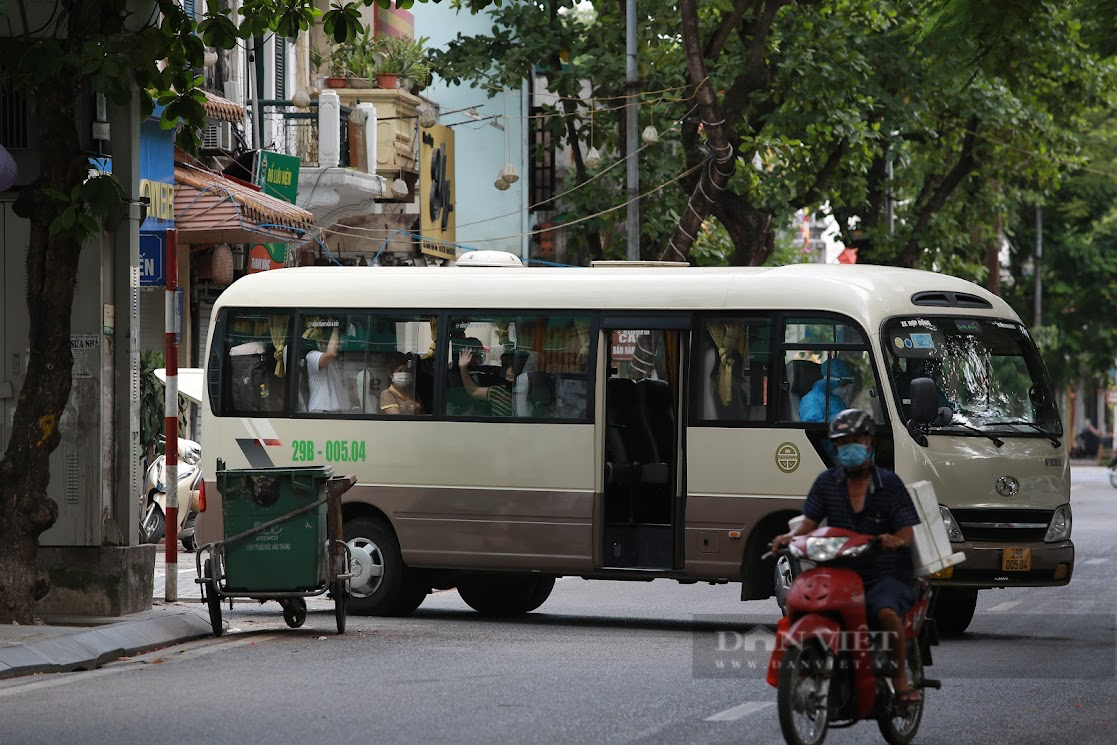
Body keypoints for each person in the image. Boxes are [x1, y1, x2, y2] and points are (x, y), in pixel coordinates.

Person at [771, 408, 923, 703]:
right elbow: (809, 523)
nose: (849, 447)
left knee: (886, 613)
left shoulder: (890, 485)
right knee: (806, 605)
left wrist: (894, 540)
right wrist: (791, 537)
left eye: (856, 439)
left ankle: (900, 679)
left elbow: (908, 530)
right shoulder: (827, 482)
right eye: (843, 442)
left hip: (885, 572)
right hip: (839, 571)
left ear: (870, 443)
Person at [457, 348, 522, 417]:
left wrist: (463, 367)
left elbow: (473, 390)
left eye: (510, 376)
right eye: (505, 366)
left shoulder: (499, 392)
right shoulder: (499, 392)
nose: (508, 372)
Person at [305, 322, 346, 412]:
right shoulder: (312, 356)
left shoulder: (341, 361)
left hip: (336, 411)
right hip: (319, 410)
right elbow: (331, 353)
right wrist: (335, 328)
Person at [800, 357, 857, 422]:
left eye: (847, 384)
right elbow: (811, 425)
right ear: (830, 380)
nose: (845, 388)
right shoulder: (811, 399)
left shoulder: (836, 399)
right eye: (843, 383)